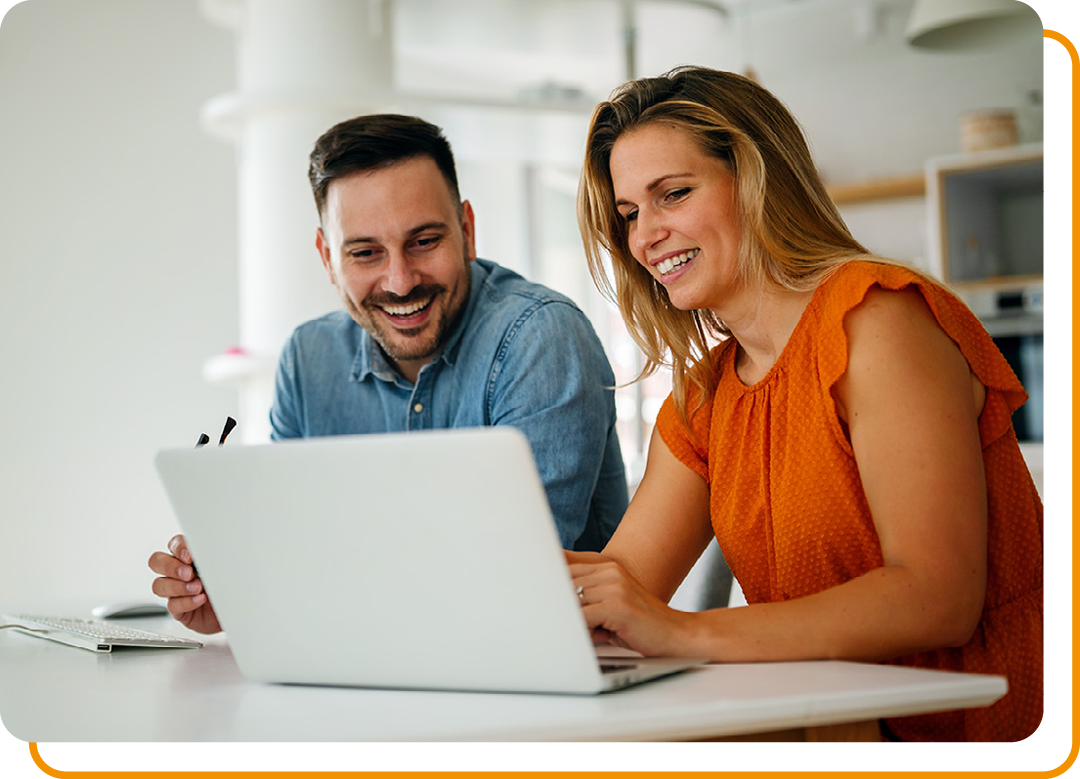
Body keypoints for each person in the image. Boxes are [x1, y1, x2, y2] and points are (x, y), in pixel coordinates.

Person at [570, 66, 1043, 743]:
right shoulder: (706, 394)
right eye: (630, 214)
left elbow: (940, 595)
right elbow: (624, 581)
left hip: (967, 726)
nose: (646, 236)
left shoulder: (877, 322)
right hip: (831, 715)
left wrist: (683, 630)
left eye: (672, 194)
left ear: (759, 181)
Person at [150, 113, 628, 635]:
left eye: (424, 241)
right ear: (327, 257)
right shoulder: (308, 359)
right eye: (365, 252)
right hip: (371, 670)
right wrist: (241, 594)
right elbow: (292, 548)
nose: (399, 282)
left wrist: (297, 585)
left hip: (544, 676)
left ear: (467, 232)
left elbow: (517, 583)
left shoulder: (541, 339)